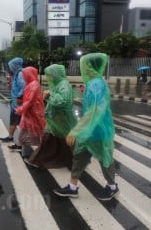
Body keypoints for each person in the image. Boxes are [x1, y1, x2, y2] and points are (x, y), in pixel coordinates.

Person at [53, 53, 119, 201]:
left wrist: (76, 131)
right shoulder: (92, 83)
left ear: (93, 67)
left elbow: (94, 111)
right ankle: (72, 187)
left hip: (99, 131)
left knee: (104, 159)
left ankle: (112, 187)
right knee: (79, 156)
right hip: (89, 131)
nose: (84, 68)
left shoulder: (97, 85)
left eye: (87, 65)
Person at [24, 64, 77, 169]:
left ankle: (37, 160)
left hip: (61, 119)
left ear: (56, 74)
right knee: (58, 141)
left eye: (50, 75)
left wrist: (49, 95)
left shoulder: (64, 85)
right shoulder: (58, 84)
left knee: (50, 139)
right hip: (56, 119)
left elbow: (63, 101)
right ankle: (70, 161)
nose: (49, 78)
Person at [8, 66, 45, 152]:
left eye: (25, 75)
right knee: (25, 128)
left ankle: (40, 148)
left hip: (34, 112)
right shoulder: (30, 84)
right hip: (29, 112)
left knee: (35, 131)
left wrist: (21, 109)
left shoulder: (34, 85)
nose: (23, 76)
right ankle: (19, 144)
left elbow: (30, 101)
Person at [0, 57, 25, 142]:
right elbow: (15, 88)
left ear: (15, 66)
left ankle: (22, 142)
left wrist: (20, 97)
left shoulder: (20, 74)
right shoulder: (15, 74)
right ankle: (10, 137)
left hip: (19, 103)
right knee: (13, 120)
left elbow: (23, 87)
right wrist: (10, 85)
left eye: (11, 66)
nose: (10, 68)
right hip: (15, 103)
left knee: (22, 123)